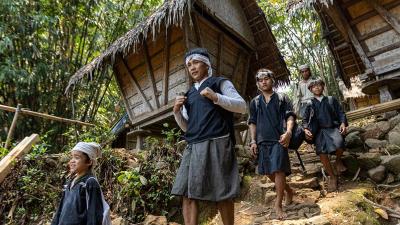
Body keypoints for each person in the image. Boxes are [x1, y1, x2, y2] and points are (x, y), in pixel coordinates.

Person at [172, 48, 247, 225]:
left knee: (222, 193)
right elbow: (187, 127)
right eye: (189, 65)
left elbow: (242, 106)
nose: (192, 67)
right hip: (193, 145)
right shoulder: (188, 94)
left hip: (217, 141)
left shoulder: (219, 82)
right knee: (186, 192)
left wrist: (216, 97)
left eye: (196, 62)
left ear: (206, 64)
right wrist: (176, 112)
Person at [248, 69, 295, 220]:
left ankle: (278, 205)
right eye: (260, 80)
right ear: (258, 84)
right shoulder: (255, 102)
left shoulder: (282, 98)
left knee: (279, 170)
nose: (264, 82)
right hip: (262, 141)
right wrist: (253, 141)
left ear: (272, 80)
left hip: (279, 138)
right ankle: (288, 190)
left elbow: (290, 117)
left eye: (266, 79)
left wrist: (288, 132)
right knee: (268, 172)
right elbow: (252, 122)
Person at [302, 79, 348, 192]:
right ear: (311, 89)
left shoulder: (331, 100)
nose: (317, 88)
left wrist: (343, 123)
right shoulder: (309, 103)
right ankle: (332, 177)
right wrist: (305, 129)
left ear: (323, 87)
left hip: (332, 128)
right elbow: (304, 120)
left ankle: (337, 160)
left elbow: (341, 113)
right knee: (322, 153)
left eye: (319, 85)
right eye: (314, 86)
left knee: (340, 145)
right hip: (319, 132)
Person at [52, 142, 110, 225]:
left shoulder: (89, 183)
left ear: (89, 162)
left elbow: (94, 215)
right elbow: (60, 209)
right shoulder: (70, 181)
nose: (72, 161)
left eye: (77, 157)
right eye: (72, 157)